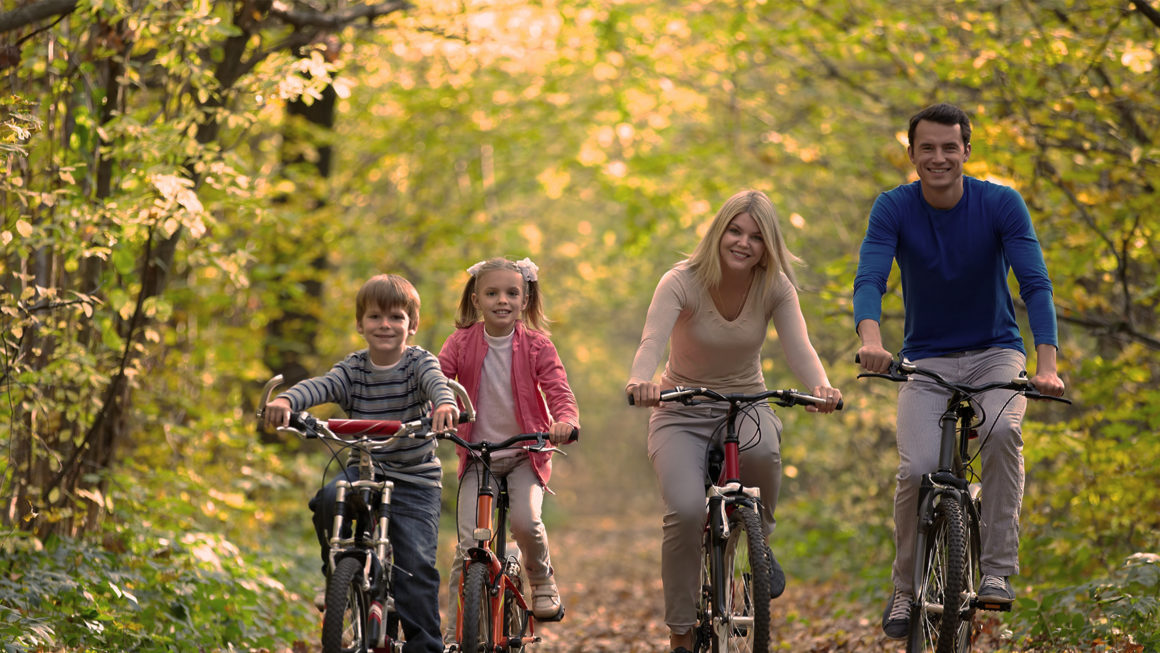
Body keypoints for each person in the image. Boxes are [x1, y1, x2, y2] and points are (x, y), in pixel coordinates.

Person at [853, 102, 1067, 639]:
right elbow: (871, 277)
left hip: (996, 350)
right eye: (927, 147)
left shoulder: (1000, 204)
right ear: (913, 153)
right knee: (915, 468)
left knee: (1001, 431)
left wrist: (1047, 367)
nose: (939, 157)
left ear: (966, 151)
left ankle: (995, 570)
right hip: (925, 358)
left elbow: (1035, 285)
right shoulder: (893, 208)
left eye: (950, 147)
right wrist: (872, 341)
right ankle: (904, 589)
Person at [626, 190, 842, 653]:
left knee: (764, 449)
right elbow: (651, 340)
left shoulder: (775, 286)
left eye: (756, 237)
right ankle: (681, 633)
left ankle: (758, 548)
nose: (743, 243)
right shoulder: (680, 281)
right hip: (680, 408)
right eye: (735, 231)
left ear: (769, 246)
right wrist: (641, 380)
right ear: (718, 232)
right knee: (684, 512)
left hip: (746, 403)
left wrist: (820, 386)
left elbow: (799, 347)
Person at [263, 273, 458, 653]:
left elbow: (438, 384)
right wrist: (287, 402)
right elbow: (319, 385)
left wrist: (445, 403)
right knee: (326, 498)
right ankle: (338, 576)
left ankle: (426, 645)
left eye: (396, 317)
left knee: (415, 568)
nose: (385, 325)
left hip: (414, 480)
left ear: (412, 325)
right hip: (364, 470)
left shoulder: (419, 363)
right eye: (375, 317)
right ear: (360, 323)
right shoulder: (353, 370)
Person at [438, 257, 580, 637]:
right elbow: (439, 380)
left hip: (523, 455)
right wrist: (441, 407)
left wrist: (564, 421)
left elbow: (558, 390)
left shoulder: (537, 346)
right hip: (476, 456)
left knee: (526, 522)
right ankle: (455, 635)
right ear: (476, 298)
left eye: (511, 293)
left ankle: (542, 578)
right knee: (469, 545)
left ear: (524, 298)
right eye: (492, 293)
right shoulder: (460, 342)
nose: (502, 300)